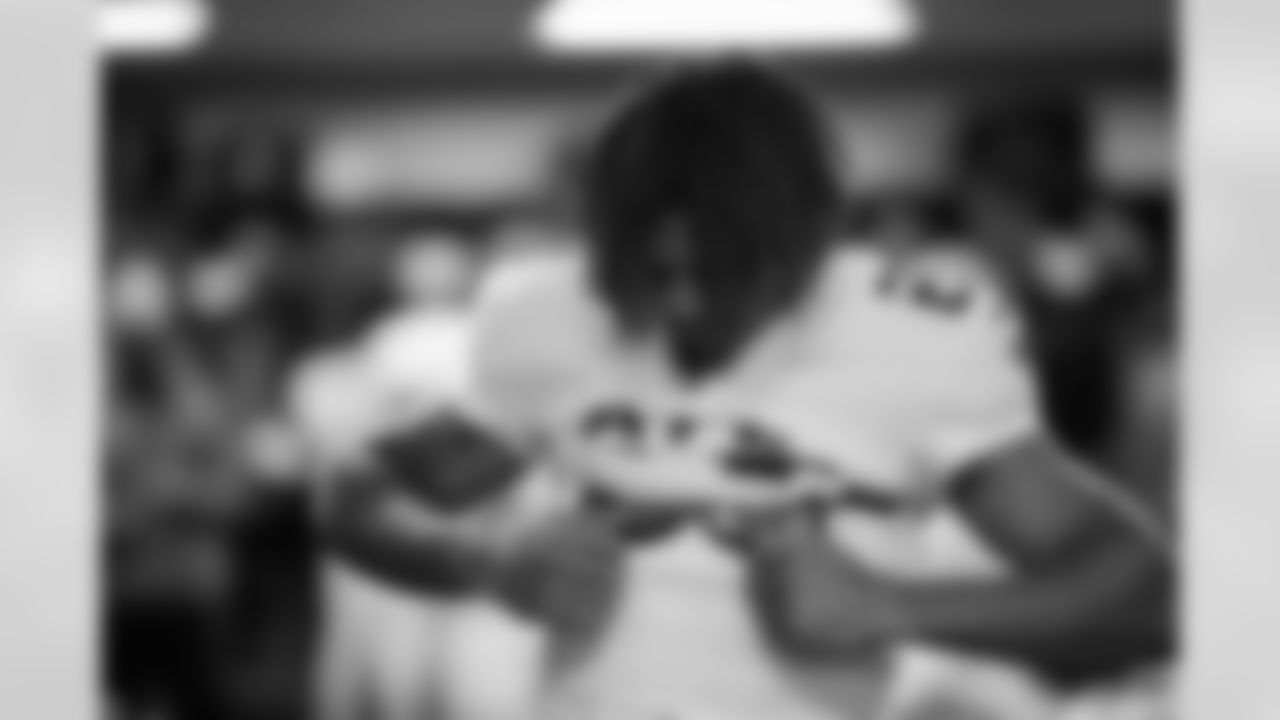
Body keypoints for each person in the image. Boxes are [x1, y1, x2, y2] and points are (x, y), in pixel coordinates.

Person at [320, 59, 1174, 720]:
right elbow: (352, 499)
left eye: (724, 272)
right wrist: (485, 562)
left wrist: (888, 606)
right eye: (658, 270)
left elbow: (1144, 590)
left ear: (810, 244)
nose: (685, 304)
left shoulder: (912, 337)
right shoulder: (557, 318)